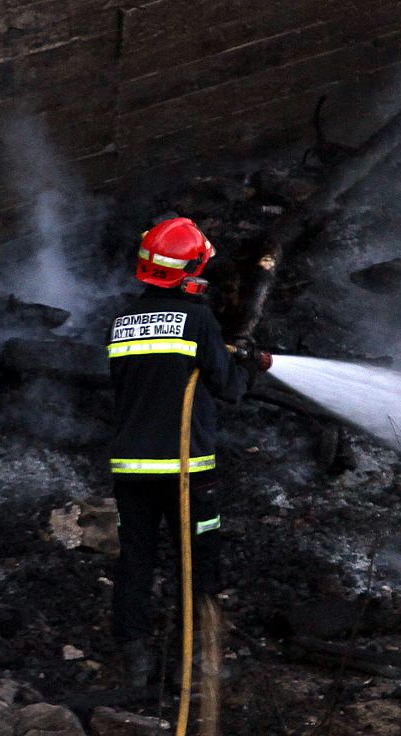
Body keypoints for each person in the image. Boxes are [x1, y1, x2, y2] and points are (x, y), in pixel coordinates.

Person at [108, 216, 270, 689]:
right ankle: (197, 662)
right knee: (198, 561)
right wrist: (244, 362)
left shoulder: (120, 322)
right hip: (187, 470)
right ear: (191, 270)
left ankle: (135, 663)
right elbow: (229, 388)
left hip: (131, 471)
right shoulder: (197, 319)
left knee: (135, 560)